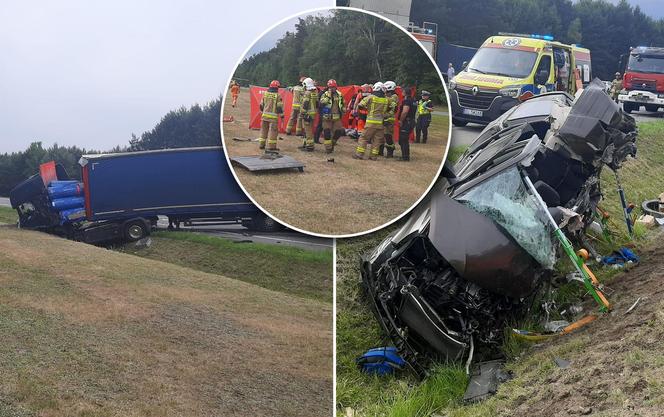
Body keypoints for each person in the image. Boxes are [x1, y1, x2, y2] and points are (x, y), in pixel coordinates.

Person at [354, 82, 390, 161]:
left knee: (364, 138)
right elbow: (391, 108)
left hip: (370, 122)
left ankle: (359, 155)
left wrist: (367, 110)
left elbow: (360, 105)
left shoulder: (371, 97)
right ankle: (373, 156)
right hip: (380, 124)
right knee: (377, 140)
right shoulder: (386, 100)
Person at [319, 79, 346, 153]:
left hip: (337, 118)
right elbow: (321, 103)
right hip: (326, 117)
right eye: (330, 87)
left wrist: (344, 109)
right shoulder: (325, 94)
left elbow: (343, 103)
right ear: (328, 87)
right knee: (327, 133)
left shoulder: (340, 94)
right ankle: (328, 149)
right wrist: (328, 97)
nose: (332, 89)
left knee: (338, 132)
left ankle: (332, 144)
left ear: (336, 87)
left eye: (333, 87)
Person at [259, 80, 283, 152]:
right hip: (273, 118)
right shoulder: (278, 95)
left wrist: (263, 112)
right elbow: (279, 107)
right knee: (273, 131)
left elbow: (261, 105)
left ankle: (261, 145)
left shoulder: (265, 94)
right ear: (277, 87)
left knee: (263, 130)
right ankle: (272, 147)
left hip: (264, 116)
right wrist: (282, 115)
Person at [299, 77, 319, 151]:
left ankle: (310, 146)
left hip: (307, 114)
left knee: (308, 131)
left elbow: (305, 104)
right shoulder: (315, 92)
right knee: (308, 130)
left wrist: (302, 113)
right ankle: (305, 143)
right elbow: (317, 104)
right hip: (312, 114)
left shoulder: (307, 93)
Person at [398, 89, 418, 161]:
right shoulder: (414, 100)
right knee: (403, 140)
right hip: (411, 121)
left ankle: (405, 157)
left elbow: (405, 112)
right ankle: (405, 156)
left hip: (407, 121)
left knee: (403, 140)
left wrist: (401, 120)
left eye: (402, 92)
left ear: (405, 93)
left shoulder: (407, 101)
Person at [381, 81, 399, 158]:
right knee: (381, 135)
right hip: (384, 118)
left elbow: (390, 105)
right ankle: (380, 151)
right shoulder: (387, 96)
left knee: (388, 136)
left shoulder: (394, 96)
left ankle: (390, 151)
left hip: (389, 119)